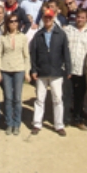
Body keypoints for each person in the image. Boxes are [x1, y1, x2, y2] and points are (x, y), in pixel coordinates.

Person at [30, 8, 71, 136]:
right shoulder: (38, 35)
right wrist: (34, 69)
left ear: (53, 18)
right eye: (45, 17)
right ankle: (37, 123)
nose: (47, 19)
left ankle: (59, 125)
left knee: (58, 99)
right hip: (41, 72)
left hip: (56, 71)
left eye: (50, 17)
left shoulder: (61, 34)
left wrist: (69, 69)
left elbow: (66, 53)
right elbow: (33, 54)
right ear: (42, 18)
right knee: (39, 99)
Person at [64, 9, 87, 130]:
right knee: (67, 96)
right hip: (69, 68)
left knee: (80, 96)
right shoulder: (68, 30)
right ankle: (66, 119)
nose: (80, 19)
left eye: (82, 17)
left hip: (83, 69)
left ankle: (78, 119)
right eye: (78, 17)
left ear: (86, 18)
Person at [0, 13, 30, 135]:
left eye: (16, 21)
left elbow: (26, 56)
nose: (14, 23)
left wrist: (27, 72)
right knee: (8, 98)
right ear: (7, 23)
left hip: (19, 69)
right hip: (5, 69)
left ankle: (17, 123)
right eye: (11, 21)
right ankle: (9, 123)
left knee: (17, 98)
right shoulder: (2, 38)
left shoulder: (23, 37)